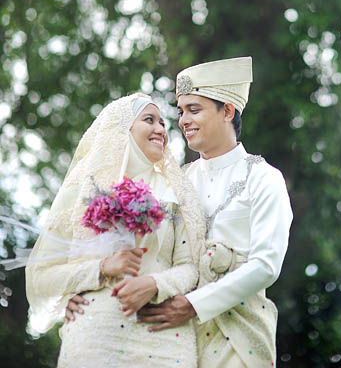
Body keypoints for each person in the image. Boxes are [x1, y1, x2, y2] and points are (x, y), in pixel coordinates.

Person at [26, 92, 206, 368]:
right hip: (95, 335)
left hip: (164, 336)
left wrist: (154, 284)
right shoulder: (82, 192)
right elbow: (41, 277)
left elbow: (190, 267)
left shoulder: (176, 193)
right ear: (123, 129)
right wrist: (100, 269)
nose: (161, 129)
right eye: (149, 120)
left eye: (163, 123)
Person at [139, 57, 293, 367]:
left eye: (194, 109)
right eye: (181, 111)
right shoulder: (176, 181)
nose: (183, 120)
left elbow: (266, 265)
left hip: (238, 335)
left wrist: (195, 304)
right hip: (174, 336)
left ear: (227, 111)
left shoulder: (263, 177)